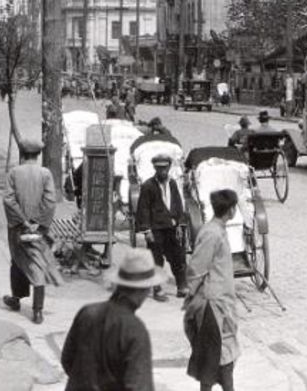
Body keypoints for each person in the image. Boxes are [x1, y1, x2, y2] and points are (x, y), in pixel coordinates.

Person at [61, 250, 163, 390]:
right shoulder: (134, 330)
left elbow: (67, 360)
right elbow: (139, 386)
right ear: (144, 290)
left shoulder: (87, 313)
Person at [184, 189, 241, 391]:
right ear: (231, 209)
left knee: (220, 359)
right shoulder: (211, 233)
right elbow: (197, 268)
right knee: (218, 360)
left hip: (221, 303)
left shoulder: (218, 230)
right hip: (212, 306)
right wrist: (193, 298)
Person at [2, 139, 61, 325]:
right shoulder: (45, 173)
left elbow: (8, 200)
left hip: (18, 226)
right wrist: (37, 222)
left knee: (17, 260)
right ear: (38, 155)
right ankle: (37, 310)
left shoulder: (14, 172)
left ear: (22, 153)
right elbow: (50, 201)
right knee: (37, 263)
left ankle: (16, 299)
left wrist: (23, 220)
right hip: (38, 229)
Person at [135, 154, 188, 301]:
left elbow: (177, 203)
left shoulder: (172, 184)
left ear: (169, 167)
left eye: (164, 167)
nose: (162, 171)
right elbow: (143, 209)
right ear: (155, 168)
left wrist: (179, 223)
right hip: (156, 229)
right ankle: (157, 289)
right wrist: (146, 230)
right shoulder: (148, 186)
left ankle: (181, 286)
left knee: (178, 257)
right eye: (159, 168)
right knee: (156, 259)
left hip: (172, 228)